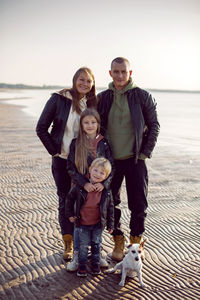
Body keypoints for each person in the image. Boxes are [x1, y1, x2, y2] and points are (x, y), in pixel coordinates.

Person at [97, 57, 160, 261]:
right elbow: (91, 123)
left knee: (138, 203)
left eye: (124, 72)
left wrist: (143, 154)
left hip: (135, 159)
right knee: (111, 202)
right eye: (116, 72)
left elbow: (154, 126)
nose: (120, 75)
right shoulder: (102, 98)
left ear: (130, 73)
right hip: (110, 161)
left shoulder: (143, 97)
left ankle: (135, 244)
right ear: (110, 73)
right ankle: (118, 242)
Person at [36, 67, 97, 260]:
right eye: (81, 79)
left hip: (84, 162)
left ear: (92, 84)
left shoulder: (93, 103)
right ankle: (68, 244)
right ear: (74, 80)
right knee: (65, 201)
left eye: (88, 81)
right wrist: (54, 151)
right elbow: (41, 128)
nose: (84, 84)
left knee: (84, 201)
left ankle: (84, 243)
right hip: (62, 160)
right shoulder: (58, 99)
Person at [66, 107, 114, 271]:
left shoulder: (104, 142)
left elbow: (111, 167)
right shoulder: (75, 142)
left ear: (98, 124)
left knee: (96, 221)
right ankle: (76, 257)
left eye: (93, 122)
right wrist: (83, 183)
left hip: (99, 188)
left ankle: (97, 253)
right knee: (80, 223)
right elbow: (71, 168)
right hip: (81, 188)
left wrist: (105, 184)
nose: (90, 125)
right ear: (81, 124)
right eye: (86, 122)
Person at [65, 157, 114, 276]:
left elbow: (110, 208)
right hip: (82, 224)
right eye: (96, 171)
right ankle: (81, 266)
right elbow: (69, 199)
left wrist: (110, 224)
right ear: (90, 170)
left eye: (102, 173)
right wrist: (70, 215)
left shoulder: (106, 191)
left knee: (97, 245)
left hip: (97, 225)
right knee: (83, 246)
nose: (98, 174)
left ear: (106, 176)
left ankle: (95, 264)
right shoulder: (80, 187)